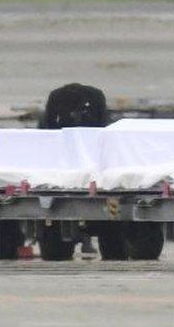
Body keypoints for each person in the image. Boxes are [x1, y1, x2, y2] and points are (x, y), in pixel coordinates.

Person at [40, 82, 109, 256]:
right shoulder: (96, 96)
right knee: (115, 242)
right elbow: (104, 126)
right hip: (92, 163)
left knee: (53, 252)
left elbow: (47, 127)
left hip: (63, 162)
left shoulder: (56, 97)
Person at [40, 82, 109, 129]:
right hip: (87, 130)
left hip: (86, 129)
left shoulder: (96, 95)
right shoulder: (96, 94)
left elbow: (48, 121)